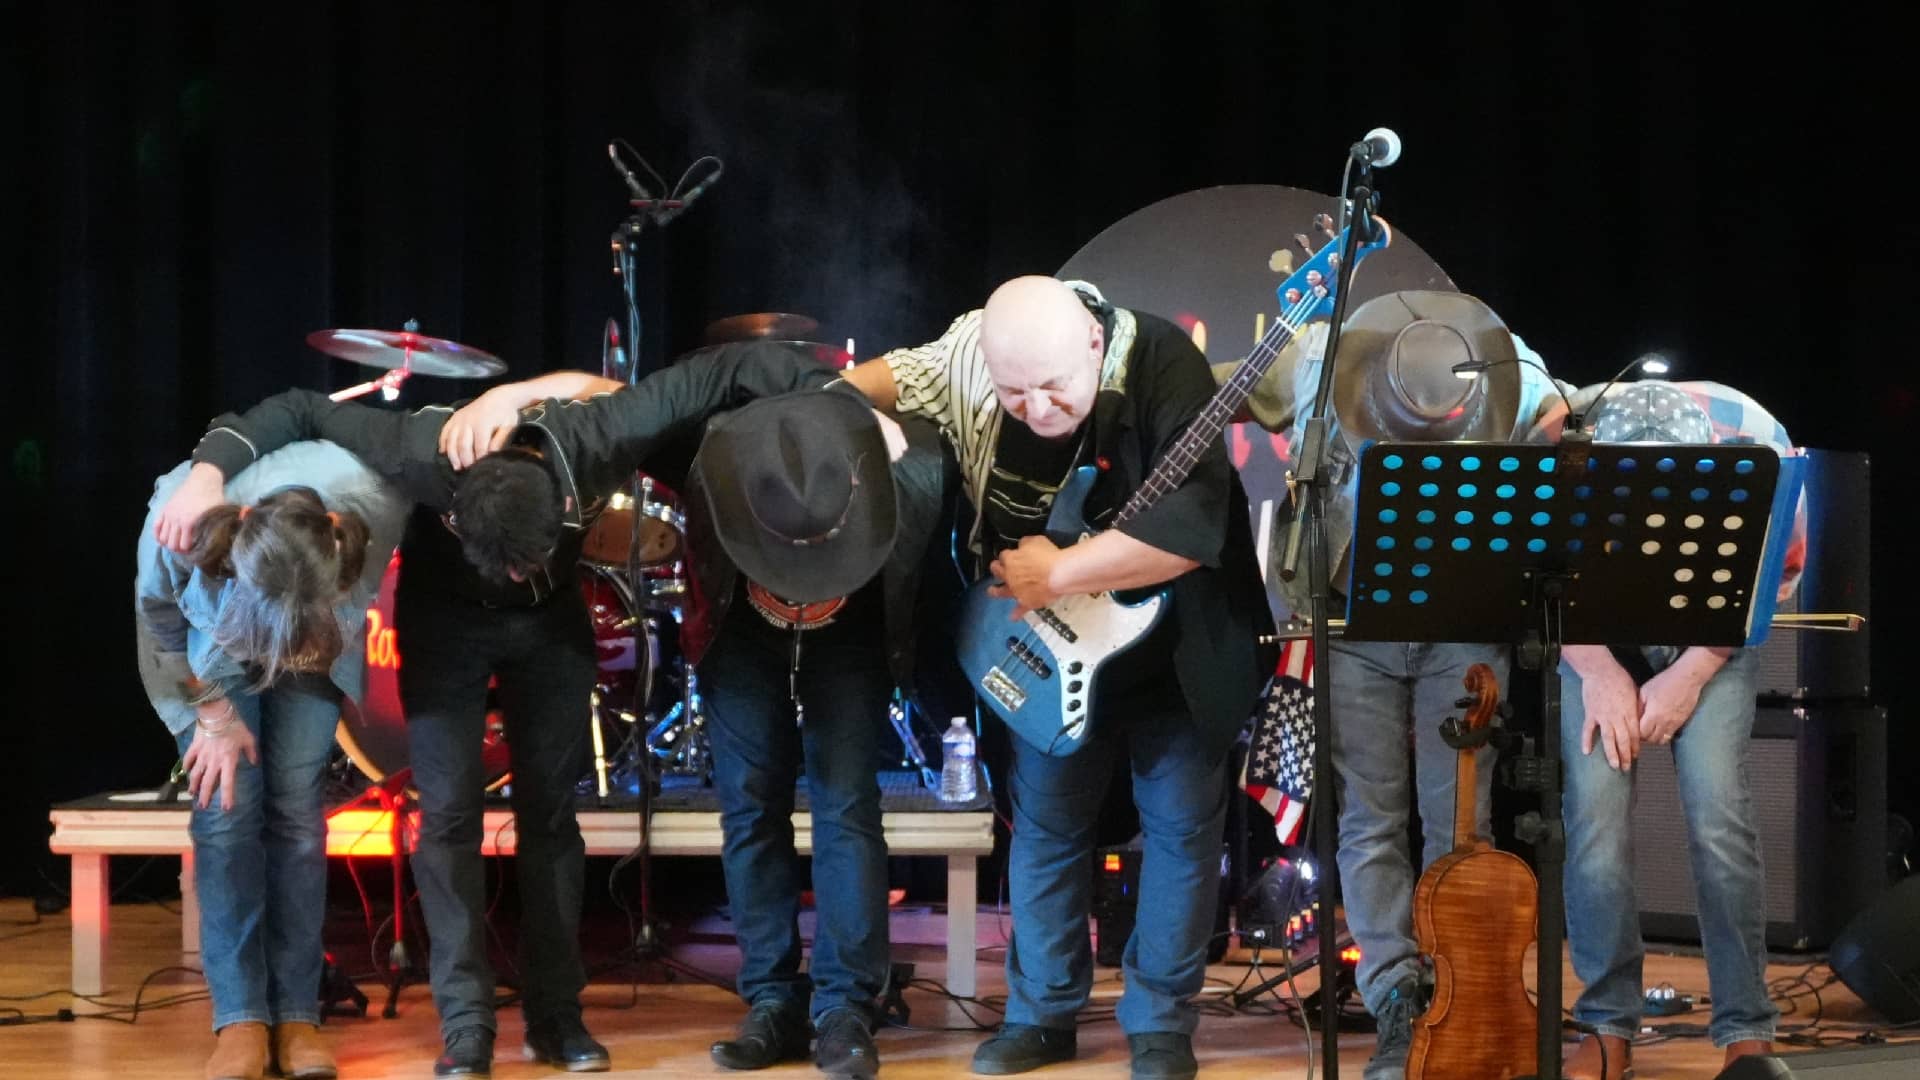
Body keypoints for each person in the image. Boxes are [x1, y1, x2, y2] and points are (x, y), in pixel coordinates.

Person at [156, 344, 917, 1077]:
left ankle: (558, 1016)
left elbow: (724, 368)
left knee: (552, 816)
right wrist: (205, 475)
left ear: (561, 500)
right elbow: (298, 408)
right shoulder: (424, 448)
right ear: (455, 516)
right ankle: (466, 1023)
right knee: (447, 818)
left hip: (550, 622)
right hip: (447, 623)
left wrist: (844, 404)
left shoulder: (592, 438)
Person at [442, 363, 946, 1079]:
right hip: (739, 634)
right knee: (748, 811)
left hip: (852, 636)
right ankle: (771, 1000)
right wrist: (508, 395)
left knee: (849, 809)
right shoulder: (704, 448)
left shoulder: (909, 473)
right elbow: (607, 395)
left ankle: (844, 1009)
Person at [838, 276, 1274, 1080]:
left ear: (1095, 345)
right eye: (1015, 392)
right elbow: (864, 380)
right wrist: (860, 415)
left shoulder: (1161, 359)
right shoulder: (970, 352)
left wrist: (1063, 570)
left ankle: (1162, 1024)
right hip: (1047, 647)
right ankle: (1041, 1015)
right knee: (1044, 830)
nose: (1037, 410)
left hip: (1174, 647)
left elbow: (1189, 532)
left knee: (1180, 833)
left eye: (1055, 388)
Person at [1218, 290, 1558, 1080]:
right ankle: (1397, 1000)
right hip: (1348, 621)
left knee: (1462, 827)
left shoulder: (1508, 364)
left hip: (1464, 620)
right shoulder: (1315, 354)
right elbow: (1217, 389)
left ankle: (1462, 994)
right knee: (1371, 824)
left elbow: (1559, 420)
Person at [1528, 379, 1805, 1080]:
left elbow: (1776, 577)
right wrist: (1596, 669)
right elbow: (1537, 579)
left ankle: (1747, 1028)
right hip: (1597, 624)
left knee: (1717, 811)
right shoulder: (1555, 450)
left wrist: (1691, 672)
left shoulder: (1762, 451)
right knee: (1593, 815)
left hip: (1709, 627)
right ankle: (1606, 1026)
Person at [137, 440, 408, 1080]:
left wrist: (312, 627)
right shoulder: (180, 523)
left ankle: (295, 1012)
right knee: (227, 813)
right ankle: (239, 1017)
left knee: (296, 819)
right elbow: (157, 624)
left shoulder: (368, 509)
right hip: (217, 647)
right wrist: (210, 714)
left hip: (317, 635)